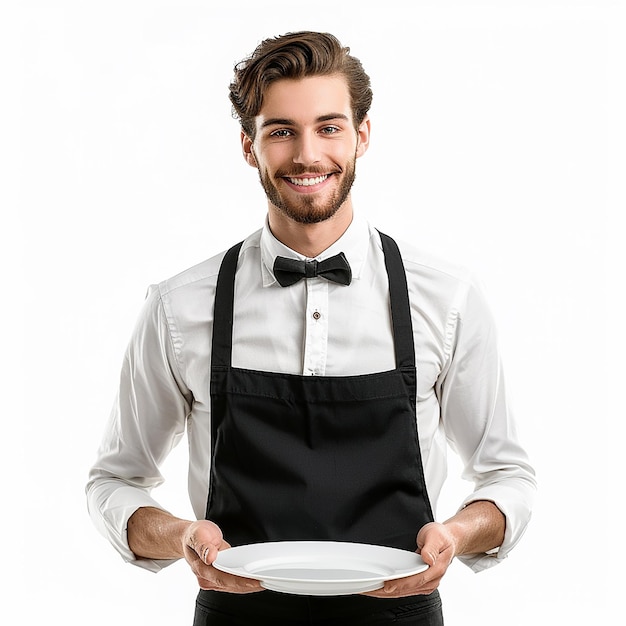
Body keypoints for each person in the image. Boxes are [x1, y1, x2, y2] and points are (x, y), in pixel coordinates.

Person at [86, 31, 536, 625]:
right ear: (249, 145)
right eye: (280, 131)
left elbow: (508, 477)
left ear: (362, 135)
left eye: (329, 127)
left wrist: (456, 533)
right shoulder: (179, 307)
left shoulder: (446, 298)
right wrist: (180, 537)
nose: (306, 155)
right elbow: (113, 482)